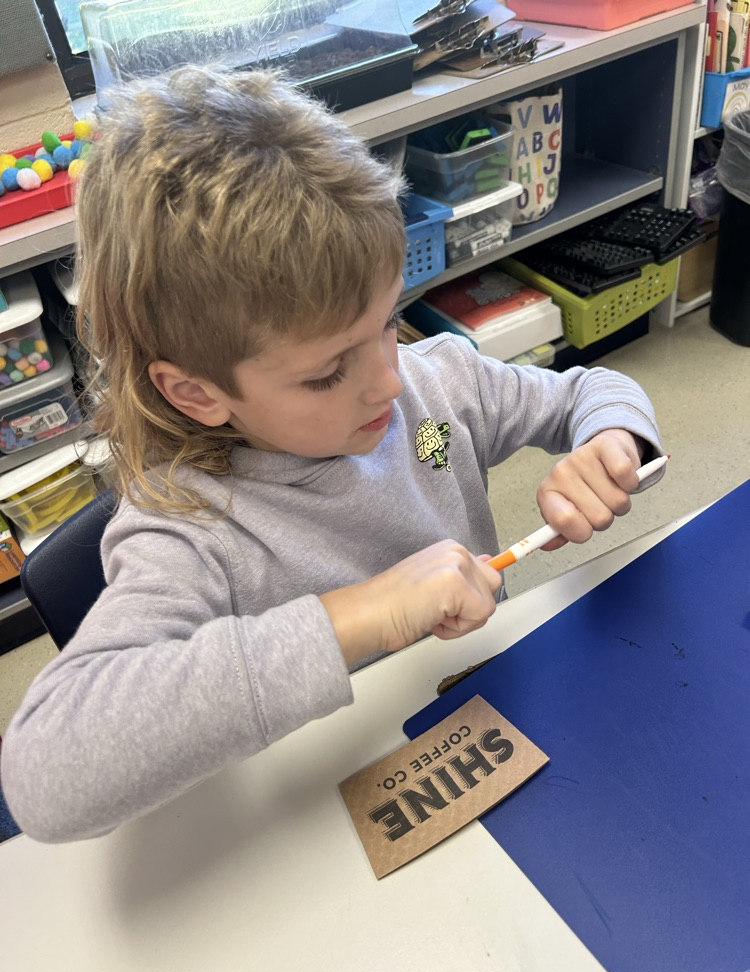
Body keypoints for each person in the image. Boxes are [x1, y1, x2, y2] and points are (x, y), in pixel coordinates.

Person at [1, 66, 664, 844]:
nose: (389, 378)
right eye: (325, 373)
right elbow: (44, 776)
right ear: (198, 393)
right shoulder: (196, 533)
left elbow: (590, 391)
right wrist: (359, 616)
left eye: (387, 322)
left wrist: (612, 442)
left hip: (481, 738)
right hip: (330, 826)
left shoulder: (429, 411)